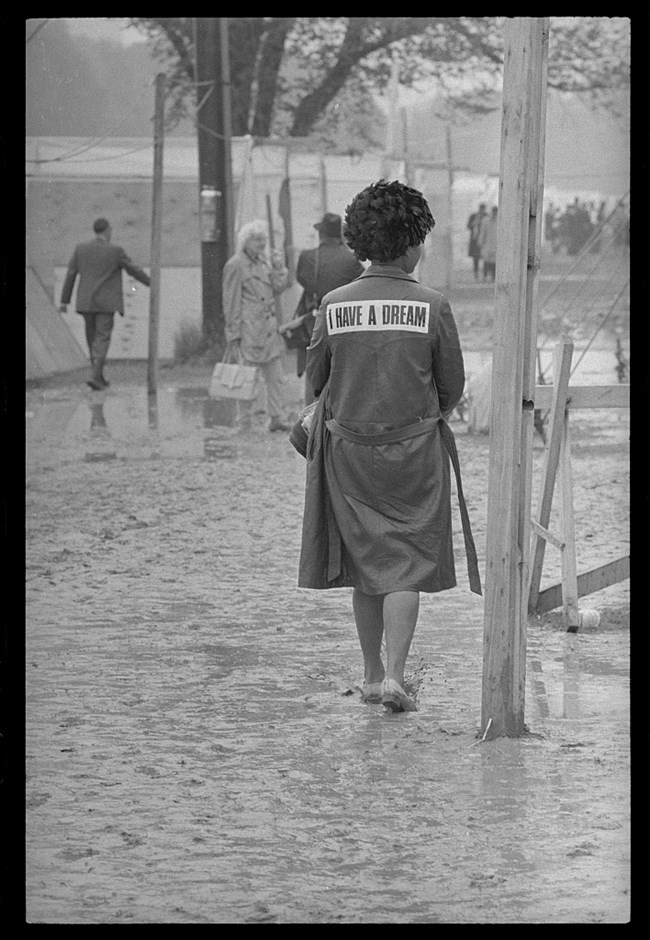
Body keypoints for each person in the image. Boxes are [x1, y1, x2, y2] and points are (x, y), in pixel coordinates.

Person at [298, 179, 481, 714]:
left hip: (348, 455)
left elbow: (315, 380)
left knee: (364, 564)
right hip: (414, 455)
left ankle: (373, 675)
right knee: (405, 563)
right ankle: (399, 675)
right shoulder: (432, 303)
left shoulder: (333, 304)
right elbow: (452, 385)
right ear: (409, 243)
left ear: (360, 242)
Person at [281, 212, 364, 405]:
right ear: (340, 236)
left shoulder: (308, 257)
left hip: (314, 320)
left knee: (313, 373)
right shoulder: (351, 260)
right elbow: (362, 283)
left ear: (320, 234)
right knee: (343, 372)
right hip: (345, 322)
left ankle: (310, 421)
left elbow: (302, 279)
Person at [59, 218, 151, 390]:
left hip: (86, 303)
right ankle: (95, 376)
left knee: (92, 339)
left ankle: (98, 377)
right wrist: (151, 282)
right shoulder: (115, 251)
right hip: (106, 303)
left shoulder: (81, 249)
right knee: (102, 338)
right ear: (108, 231)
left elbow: (70, 274)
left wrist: (64, 301)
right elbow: (133, 269)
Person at [222, 219, 293, 432]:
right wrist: (233, 334)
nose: (262, 245)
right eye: (257, 241)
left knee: (276, 377)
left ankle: (277, 417)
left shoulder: (264, 262)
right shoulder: (235, 265)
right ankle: (244, 420)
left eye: (263, 240)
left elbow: (278, 288)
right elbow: (230, 301)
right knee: (247, 378)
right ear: (246, 241)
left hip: (269, 329)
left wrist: (280, 268)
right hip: (249, 330)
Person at [466, 202, 487, 281]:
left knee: (485, 257)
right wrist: (474, 223)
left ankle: (485, 274)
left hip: (484, 240)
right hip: (474, 240)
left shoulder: (486, 216)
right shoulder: (473, 216)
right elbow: (468, 226)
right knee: (475, 258)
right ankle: (476, 274)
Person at [479, 205, 498, 282]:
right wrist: (480, 242)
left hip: (496, 243)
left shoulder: (499, 220)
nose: (494, 213)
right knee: (486, 260)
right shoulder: (485, 220)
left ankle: (494, 276)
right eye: (493, 212)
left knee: (495, 261)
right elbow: (482, 231)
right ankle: (485, 276)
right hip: (487, 243)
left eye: (495, 212)